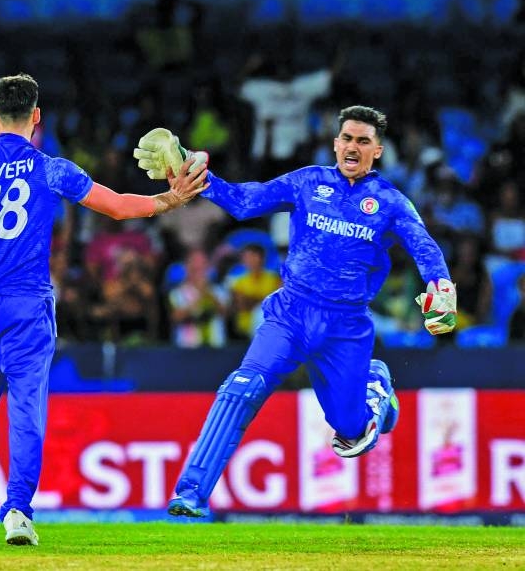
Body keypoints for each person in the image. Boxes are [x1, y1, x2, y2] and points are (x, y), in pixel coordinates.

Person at [0, 73, 208, 545]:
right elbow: (120, 208)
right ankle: (18, 510)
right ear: (37, 116)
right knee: (27, 407)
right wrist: (170, 198)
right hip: (27, 304)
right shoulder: (53, 169)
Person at [133, 105, 456, 519]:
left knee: (350, 432)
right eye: (346, 139)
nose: (352, 147)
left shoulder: (391, 202)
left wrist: (441, 288)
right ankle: (191, 493)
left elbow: (423, 246)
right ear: (335, 143)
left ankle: (376, 390)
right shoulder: (308, 182)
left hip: (345, 328)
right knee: (242, 386)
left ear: (377, 151)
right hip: (290, 313)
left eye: (363, 141)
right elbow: (246, 201)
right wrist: (201, 179)